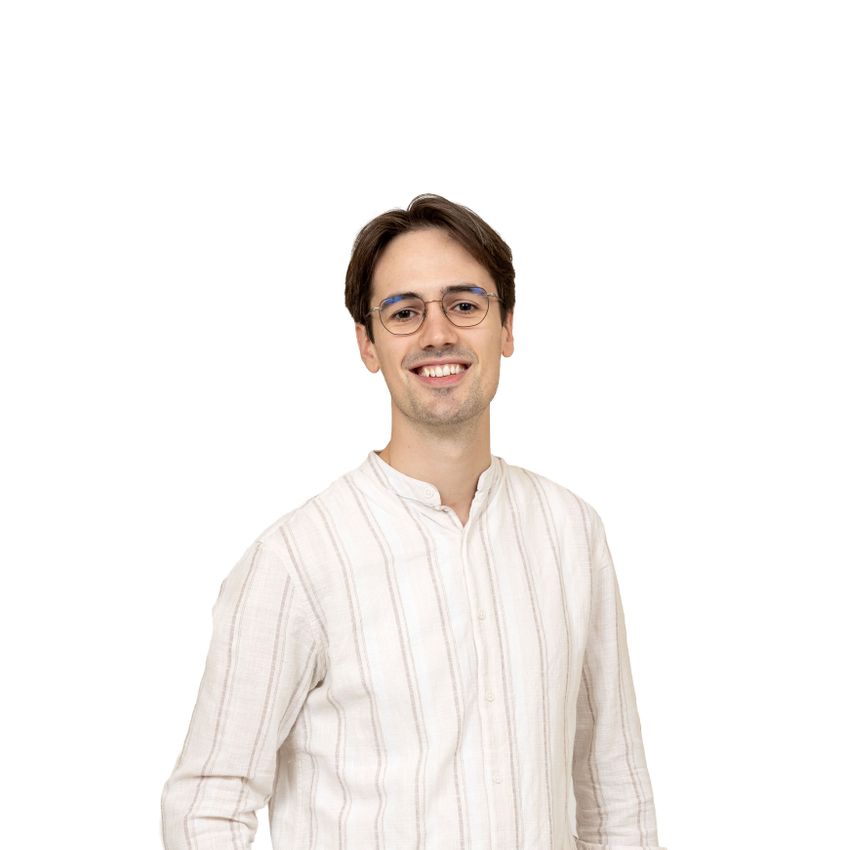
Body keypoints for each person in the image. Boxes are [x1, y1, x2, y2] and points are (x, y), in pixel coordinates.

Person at [160, 193, 667, 850]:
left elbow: (613, 790)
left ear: (507, 328)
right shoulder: (298, 562)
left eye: (465, 304)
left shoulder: (570, 533)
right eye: (404, 312)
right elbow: (206, 806)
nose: (437, 334)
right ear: (367, 345)